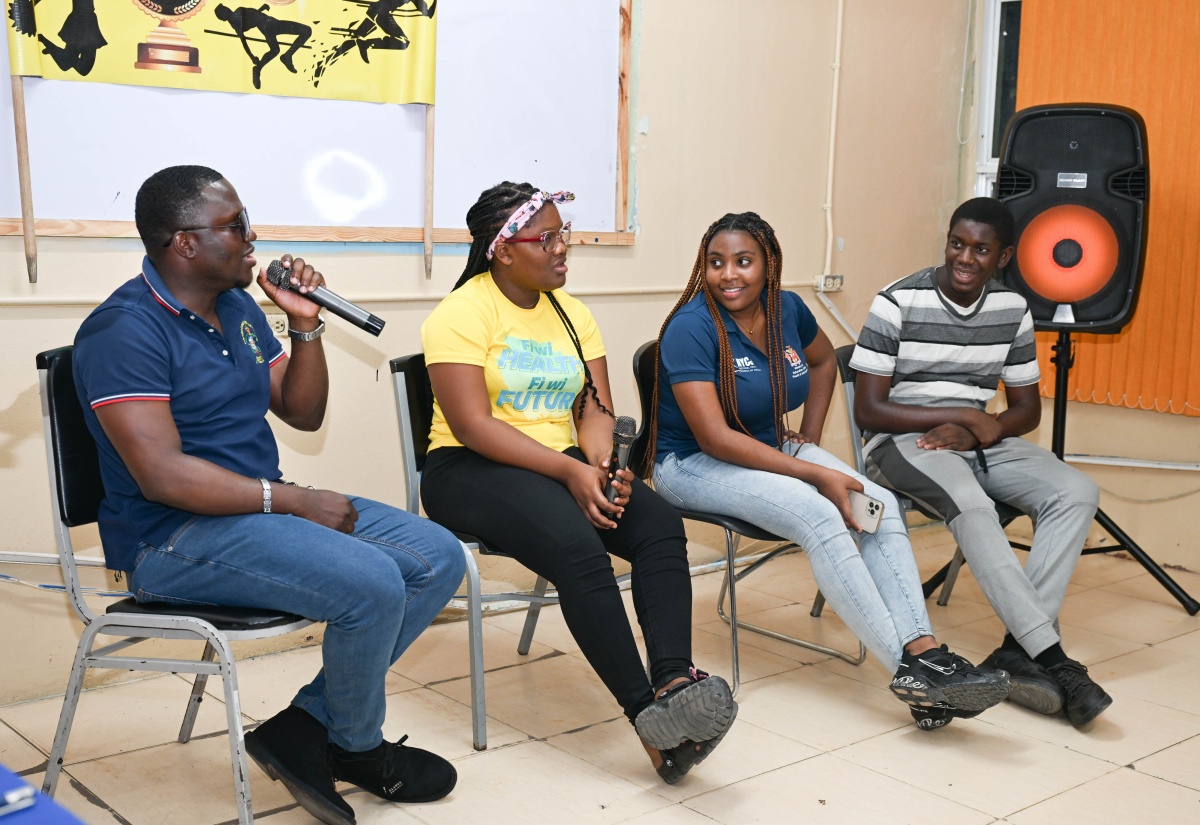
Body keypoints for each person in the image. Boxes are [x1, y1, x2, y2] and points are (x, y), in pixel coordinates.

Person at [72, 165, 466, 825]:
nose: (253, 238)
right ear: (183, 243)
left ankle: (308, 727)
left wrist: (305, 325)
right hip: (170, 533)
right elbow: (162, 474)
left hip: (256, 507)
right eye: (234, 226)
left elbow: (302, 411)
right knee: (373, 581)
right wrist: (295, 502)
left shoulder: (235, 306)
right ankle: (356, 743)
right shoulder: (123, 331)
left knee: (437, 556)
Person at [640, 211, 1010, 731]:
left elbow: (824, 363)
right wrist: (813, 472)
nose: (729, 274)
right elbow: (715, 438)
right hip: (691, 464)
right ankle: (913, 673)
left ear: (768, 265)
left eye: (744, 261)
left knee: (874, 505)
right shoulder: (690, 327)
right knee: (822, 514)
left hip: (770, 448)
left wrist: (808, 438)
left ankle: (924, 648)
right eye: (716, 263)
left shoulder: (787, 309)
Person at [419, 182, 737, 784]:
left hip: (557, 461)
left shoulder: (571, 312)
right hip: (468, 467)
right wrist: (570, 472)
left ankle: (673, 683)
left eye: (565, 233)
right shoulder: (460, 314)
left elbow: (594, 412)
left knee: (658, 524)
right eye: (547, 238)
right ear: (504, 249)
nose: (563, 247)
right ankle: (650, 723)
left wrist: (604, 467)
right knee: (578, 548)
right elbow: (473, 424)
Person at [849, 197, 1112, 729]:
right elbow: (867, 408)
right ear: (947, 240)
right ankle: (1054, 660)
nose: (965, 258)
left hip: (973, 441)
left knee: (1076, 490)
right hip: (902, 442)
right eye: (957, 243)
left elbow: (1026, 410)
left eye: (981, 249)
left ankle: (1018, 648)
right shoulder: (897, 301)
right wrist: (964, 416)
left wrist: (974, 432)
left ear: (1005, 256)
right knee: (972, 505)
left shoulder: (1011, 310)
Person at [213, 4, 313, 89]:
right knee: (306, 31)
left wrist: (261, 8)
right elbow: (244, 39)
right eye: (224, 9)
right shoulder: (237, 18)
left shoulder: (237, 17)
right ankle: (285, 57)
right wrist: (251, 56)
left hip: (271, 24)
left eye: (225, 7)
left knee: (275, 50)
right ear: (223, 16)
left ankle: (262, 67)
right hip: (270, 25)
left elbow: (254, 17)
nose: (227, 8)